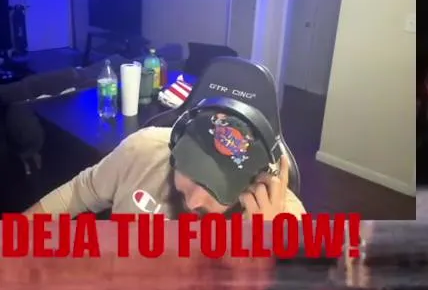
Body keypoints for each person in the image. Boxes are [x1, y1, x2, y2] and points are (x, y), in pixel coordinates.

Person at [25, 110, 304, 218]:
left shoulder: (282, 216)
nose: (193, 201)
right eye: (191, 171)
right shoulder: (144, 149)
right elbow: (79, 192)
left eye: (218, 189)